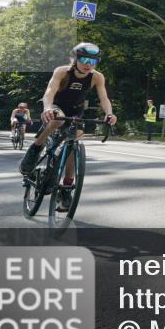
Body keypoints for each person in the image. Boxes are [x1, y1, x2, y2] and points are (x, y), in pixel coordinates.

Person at [19, 43, 117, 210]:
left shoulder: (96, 77)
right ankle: (35, 149)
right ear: (76, 59)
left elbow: (104, 98)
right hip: (56, 107)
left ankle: (66, 189)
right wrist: (47, 108)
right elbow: (49, 91)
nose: (88, 64)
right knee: (58, 120)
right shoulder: (62, 71)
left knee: (74, 143)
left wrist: (109, 114)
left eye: (93, 61)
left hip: (76, 112)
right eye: (85, 60)